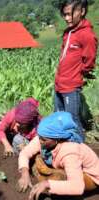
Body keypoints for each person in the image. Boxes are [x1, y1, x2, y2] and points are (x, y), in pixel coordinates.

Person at [17, 112, 98, 200]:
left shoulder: (70, 151)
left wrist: (47, 184)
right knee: (37, 158)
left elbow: (77, 186)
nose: (40, 141)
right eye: (39, 136)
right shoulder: (45, 137)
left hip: (90, 177)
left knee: (60, 178)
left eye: (43, 139)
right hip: (70, 167)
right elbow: (25, 153)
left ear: (57, 138)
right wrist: (24, 173)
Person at [54, 0, 97, 141]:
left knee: (72, 120)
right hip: (59, 83)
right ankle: (63, 148)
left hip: (71, 86)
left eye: (70, 14)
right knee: (58, 117)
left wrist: (79, 73)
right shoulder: (69, 32)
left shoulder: (87, 35)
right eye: (64, 14)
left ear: (82, 11)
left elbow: (89, 60)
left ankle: (80, 150)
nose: (66, 18)